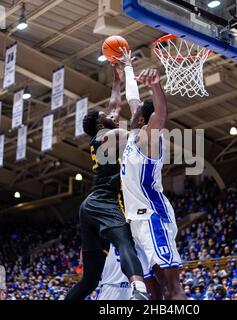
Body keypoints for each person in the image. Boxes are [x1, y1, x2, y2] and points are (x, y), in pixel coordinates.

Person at [65, 63, 149, 300]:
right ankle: (139, 289)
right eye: (108, 117)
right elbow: (130, 133)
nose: (113, 115)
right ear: (101, 125)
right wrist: (142, 126)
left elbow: (114, 104)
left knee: (91, 279)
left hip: (91, 206)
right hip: (104, 202)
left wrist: (116, 78)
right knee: (124, 241)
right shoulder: (103, 137)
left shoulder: (102, 131)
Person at [115, 48, 186, 300]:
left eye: (135, 112)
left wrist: (156, 86)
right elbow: (134, 97)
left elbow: (161, 114)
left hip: (152, 218)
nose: (130, 111)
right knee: (153, 291)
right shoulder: (135, 137)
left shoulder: (148, 140)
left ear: (143, 119)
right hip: (136, 223)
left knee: (172, 287)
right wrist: (127, 67)